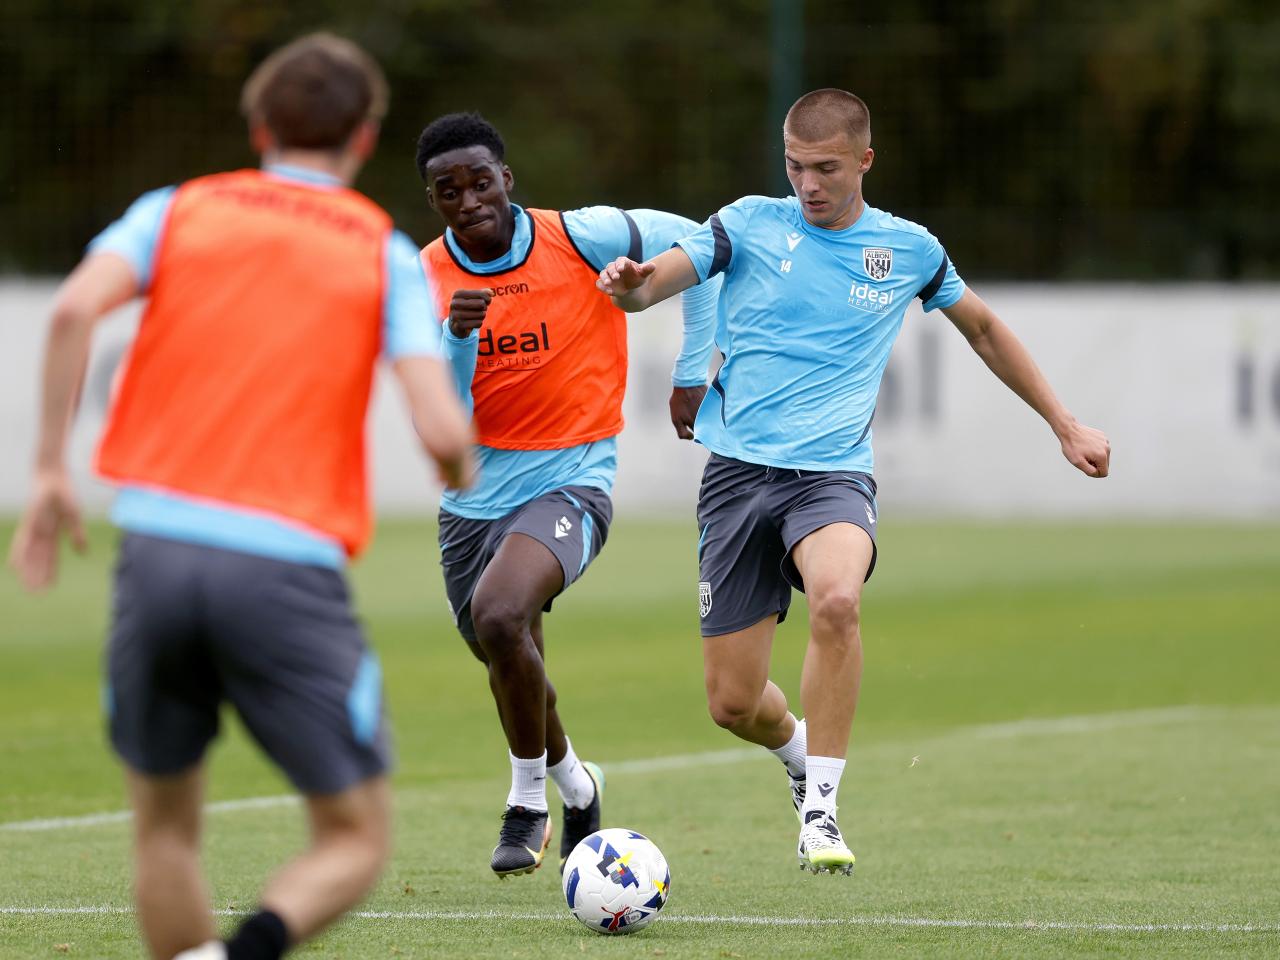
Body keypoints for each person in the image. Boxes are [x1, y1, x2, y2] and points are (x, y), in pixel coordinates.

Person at [6, 34, 474, 960]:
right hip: (283, 569)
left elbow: (70, 309)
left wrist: (51, 467)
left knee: (164, 828)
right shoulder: (379, 250)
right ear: (364, 136)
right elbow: (440, 428)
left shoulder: (176, 210)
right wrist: (459, 468)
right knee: (354, 837)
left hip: (154, 555)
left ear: (260, 126)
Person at [597, 88, 1111, 876]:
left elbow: (982, 329)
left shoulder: (907, 249)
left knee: (837, 600)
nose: (808, 184)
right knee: (733, 704)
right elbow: (652, 285)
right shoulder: (746, 224)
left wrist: (1064, 423)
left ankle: (823, 811)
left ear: (865, 161)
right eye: (796, 166)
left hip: (832, 476)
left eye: (827, 168)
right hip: (736, 477)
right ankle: (797, 751)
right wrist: (631, 283)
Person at [414, 112, 718, 878]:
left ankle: (526, 804)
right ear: (433, 199)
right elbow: (447, 420)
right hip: (471, 501)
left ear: (506, 178)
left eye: (481, 182)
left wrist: (692, 371)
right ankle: (579, 785)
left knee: (499, 613)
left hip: (572, 478)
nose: (469, 200)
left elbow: (706, 245)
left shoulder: (585, 235)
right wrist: (457, 337)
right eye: (449, 190)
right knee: (509, 660)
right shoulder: (422, 279)